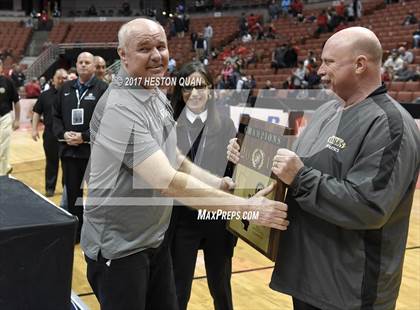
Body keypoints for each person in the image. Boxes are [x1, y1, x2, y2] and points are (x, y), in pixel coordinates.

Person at [81, 18, 289, 310]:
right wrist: (248, 208)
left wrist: (215, 183)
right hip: (121, 250)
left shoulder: (154, 93)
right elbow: (168, 180)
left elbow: (174, 157)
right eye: (144, 48)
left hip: (154, 241)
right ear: (123, 55)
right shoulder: (120, 107)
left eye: (161, 46)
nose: (156, 55)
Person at [227, 26, 420, 309]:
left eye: (328, 62)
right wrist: (250, 158)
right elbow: (295, 168)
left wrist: (301, 177)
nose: (319, 70)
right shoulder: (327, 110)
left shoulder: (390, 124)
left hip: (350, 292)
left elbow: (369, 206)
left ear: (359, 64)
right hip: (307, 278)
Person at [169, 61, 237, 310]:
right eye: (187, 87)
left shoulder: (226, 125)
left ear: (210, 89)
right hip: (183, 218)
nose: (194, 93)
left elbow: (232, 175)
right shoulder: (170, 125)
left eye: (200, 86)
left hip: (217, 218)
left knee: (221, 288)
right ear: (180, 91)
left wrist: (234, 166)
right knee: (179, 289)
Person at [53, 52, 108, 242]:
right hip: (69, 152)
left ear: (94, 66)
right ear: (76, 65)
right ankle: (76, 233)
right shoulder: (65, 88)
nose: (83, 65)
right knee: (73, 195)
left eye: (87, 62)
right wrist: (63, 134)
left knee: (96, 195)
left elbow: (108, 121)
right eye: (80, 62)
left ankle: (96, 233)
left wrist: (84, 136)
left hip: (94, 154)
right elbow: (56, 116)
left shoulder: (103, 89)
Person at [32, 69, 68, 197]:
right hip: (50, 134)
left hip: (66, 135)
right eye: (60, 78)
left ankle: (67, 189)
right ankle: (50, 188)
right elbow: (37, 112)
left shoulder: (71, 94)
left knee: (67, 163)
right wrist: (34, 129)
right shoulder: (45, 95)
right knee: (51, 162)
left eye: (65, 78)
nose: (62, 80)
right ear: (53, 79)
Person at [0, 59, 20, 176]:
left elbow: (16, 101)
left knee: (4, 146)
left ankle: (2, 175)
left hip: (5, 118)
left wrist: (17, 120)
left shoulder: (8, 81)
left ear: (1, 67)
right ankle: (6, 167)